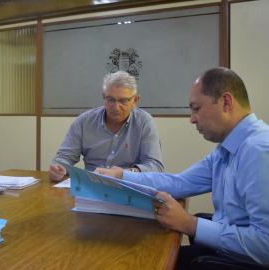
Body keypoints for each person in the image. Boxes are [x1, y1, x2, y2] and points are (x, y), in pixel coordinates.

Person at [96, 67, 269, 268]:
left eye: (196, 108)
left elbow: (265, 245)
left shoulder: (258, 151)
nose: (192, 119)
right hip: (226, 251)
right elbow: (180, 182)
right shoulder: (226, 148)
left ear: (227, 102)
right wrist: (121, 176)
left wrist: (189, 224)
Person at [49, 71, 164, 182]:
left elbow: (155, 166)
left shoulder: (144, 122)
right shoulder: (84, 121)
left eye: (123, 101)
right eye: (111, 100)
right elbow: (64, 158)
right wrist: (58, 168)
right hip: (91, 186)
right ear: (104, 97)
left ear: (135, 100)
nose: (116, 107)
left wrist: (123, 174)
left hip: (129, 187)